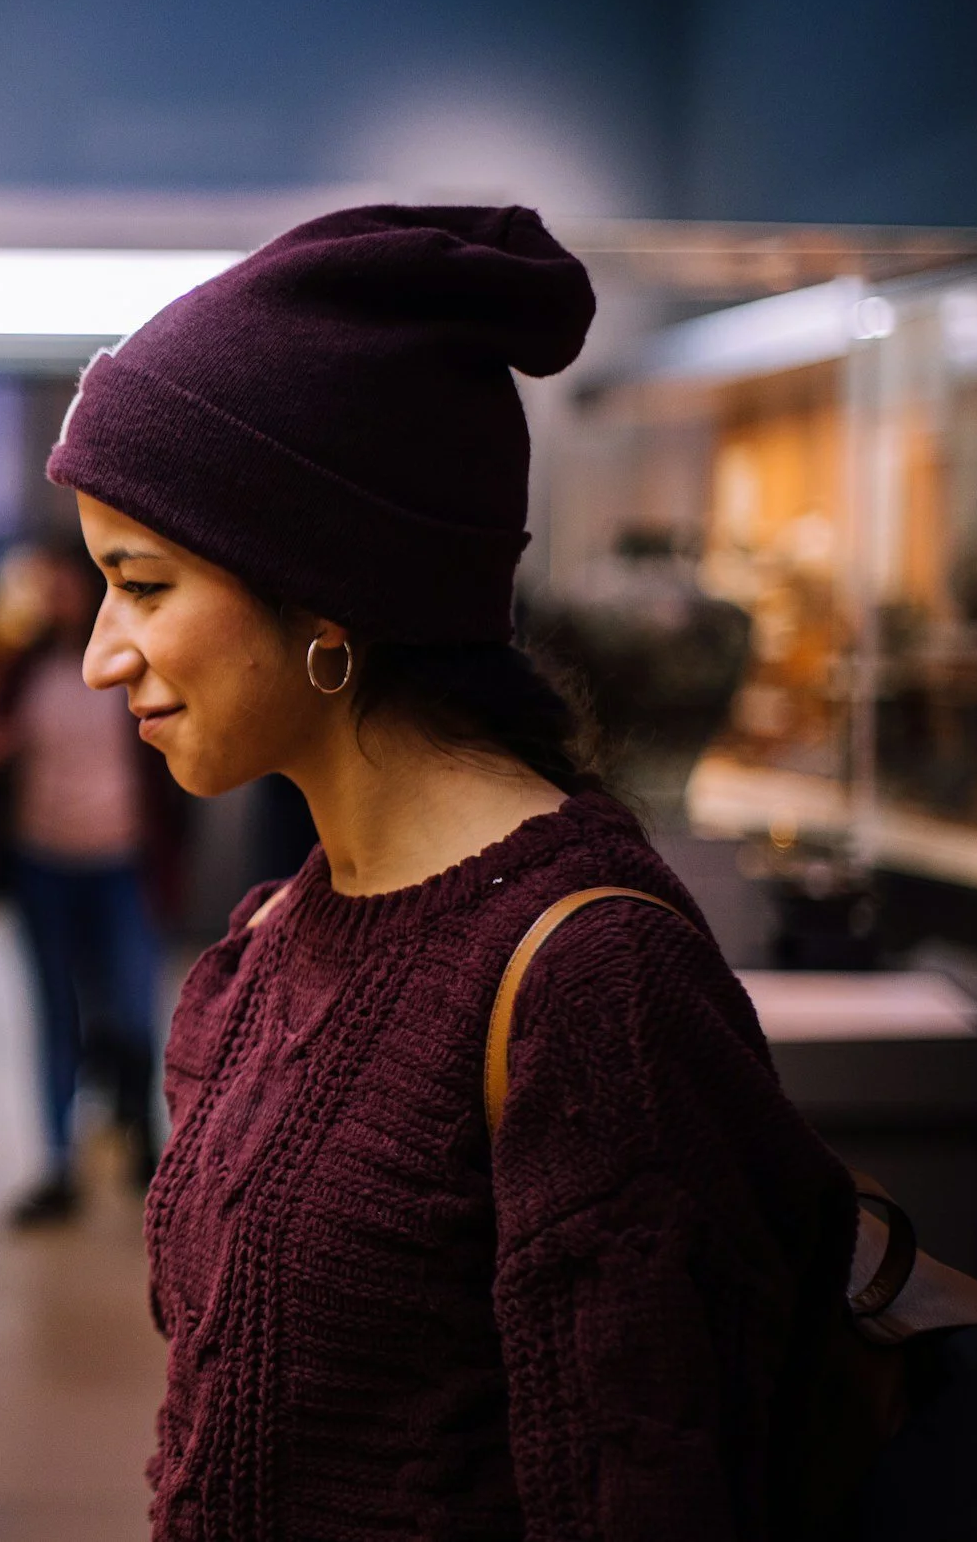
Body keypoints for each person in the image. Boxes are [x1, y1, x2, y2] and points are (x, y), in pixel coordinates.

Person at [48, 205, 856, 1540]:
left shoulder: (588, 982)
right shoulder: (277, 933)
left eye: (142, 582)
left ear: (325, 599)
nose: (100, 653)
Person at [0, 542, 165, 1225]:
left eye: (62, 584)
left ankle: (145, 1136)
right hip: (43, 860)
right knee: (56, 1010)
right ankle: (58, 1160)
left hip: (118, 858)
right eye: (45, 586)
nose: (54, 598)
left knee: (132, 1002)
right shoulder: (22, 668)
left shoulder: (127, 659)